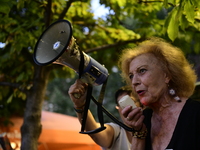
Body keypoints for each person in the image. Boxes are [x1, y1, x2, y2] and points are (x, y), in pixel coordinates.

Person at [118, 37, 200, 150]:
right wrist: (138, 133)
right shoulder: (143, 119)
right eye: (131, 76)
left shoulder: (195, 114)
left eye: (142, 71)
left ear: (167, 75)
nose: (134, 82)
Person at [68, 81, 142, 150]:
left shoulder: (151, 130)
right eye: (122, 103)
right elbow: (95, 132)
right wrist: (80, 105)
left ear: (141, 104)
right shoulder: (117, 132)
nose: (127, 107)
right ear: (118, 108)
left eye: (131, 101)